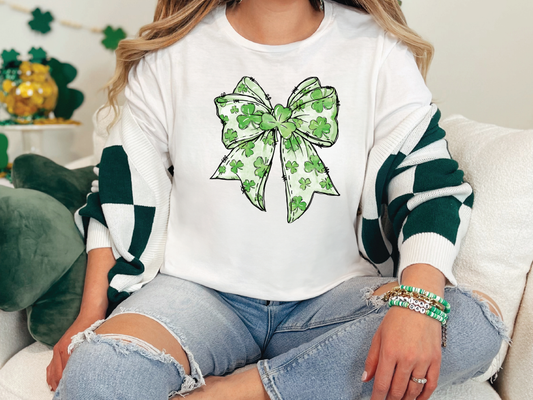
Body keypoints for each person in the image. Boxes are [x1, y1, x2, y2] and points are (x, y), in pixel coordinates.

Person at [47, 0, 507, 399]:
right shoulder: (172, 55)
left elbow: (428, 184)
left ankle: (247, 391)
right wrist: (90, 317)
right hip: (195, 297)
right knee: (98, 377)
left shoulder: (379, 49)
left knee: (472, 324)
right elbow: (118, 194)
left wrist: (416, 301)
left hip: (332, 300)